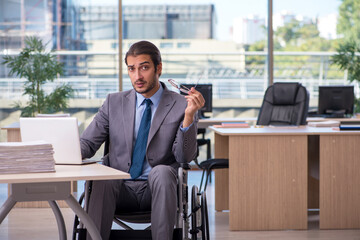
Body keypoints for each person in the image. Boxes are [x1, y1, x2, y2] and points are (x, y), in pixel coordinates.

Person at [80, 40, 205, 240]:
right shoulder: (114, 102)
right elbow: (87, 144)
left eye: (144, 68)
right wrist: (56, 152)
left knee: (164, 171)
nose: (137, 76)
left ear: (159, 68)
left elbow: (184, 156)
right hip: (118, 188)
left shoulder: (182, 104)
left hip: (159, 189)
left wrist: (189, 116)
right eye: (132, 69)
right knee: (102, 176)